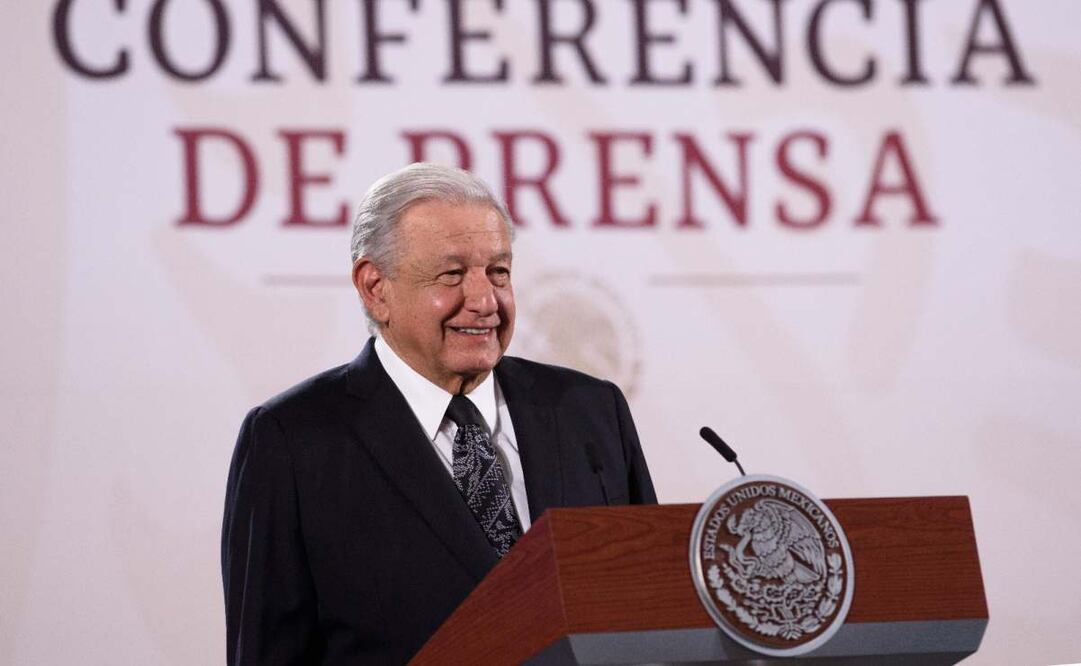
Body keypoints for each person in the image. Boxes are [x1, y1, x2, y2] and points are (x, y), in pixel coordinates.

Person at [221, 163, 656, 665]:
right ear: (375, 287)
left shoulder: (590, 411)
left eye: (498, 272)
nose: (485, 301)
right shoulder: (293, 441)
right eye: (452, 275)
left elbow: (652, 610)